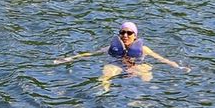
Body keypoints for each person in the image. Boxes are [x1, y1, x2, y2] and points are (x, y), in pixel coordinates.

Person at [55, 20, 189, 86]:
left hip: (137, 65)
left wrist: (178, 67)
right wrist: (69, 59)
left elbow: (161, 59)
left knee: (146, 74)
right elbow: (90, 54)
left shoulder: (144, 49)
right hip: (117, 65)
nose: (125, 35)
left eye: (129, 33)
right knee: (105, 74)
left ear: (135, 36)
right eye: (122, 32)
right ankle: (103, 93)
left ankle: (141, 98)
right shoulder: (111, 47)